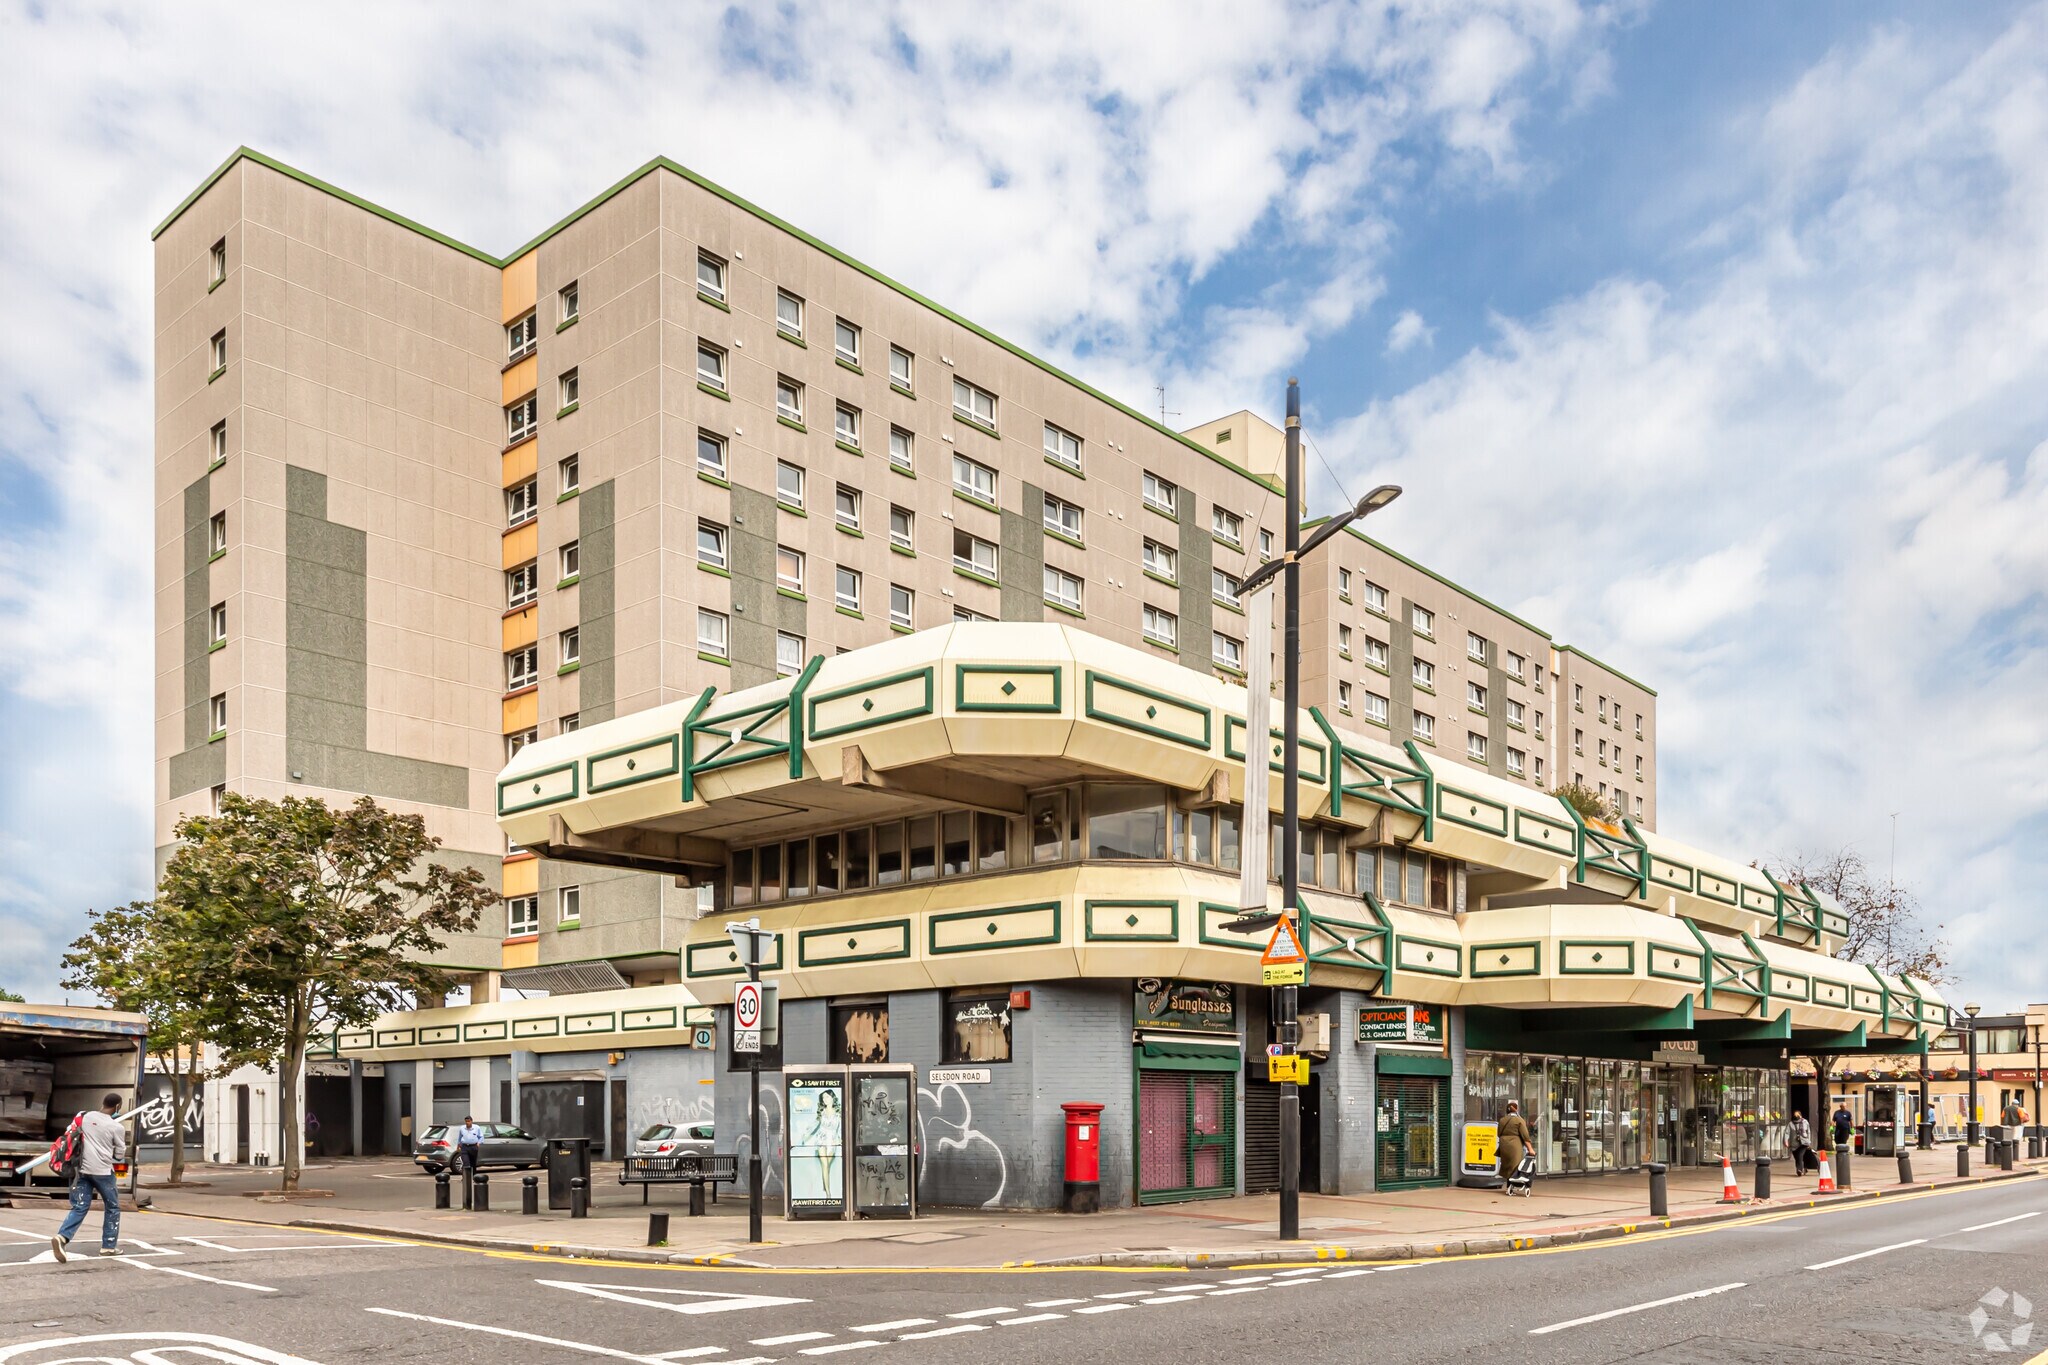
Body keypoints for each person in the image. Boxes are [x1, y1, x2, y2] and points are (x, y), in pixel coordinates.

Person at [50, 1093, 126, 1262]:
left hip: (82, 1170)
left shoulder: (84, 1116)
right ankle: (108, 1246)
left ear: (103, 1102)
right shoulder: (116, 1127)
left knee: (80, 1206)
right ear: (118, 1107)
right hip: (103, 1173)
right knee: (112, 1207)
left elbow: (71, 1133)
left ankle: (62, 1237)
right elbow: (120, 1155)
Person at [1496, 1099, 1532, 1183]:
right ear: (1516, 1109)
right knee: (1515, 1165)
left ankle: (1508, 1185)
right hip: (1515, 1145)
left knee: (1507, 1164)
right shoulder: (1519, 1120)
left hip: (1503, 1144)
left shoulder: (1502, 1120)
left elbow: (1498, 1133)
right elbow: (1525, 1136)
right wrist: (1530, 1149)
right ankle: (1512, 1185)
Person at [455, 1115, 485, 1179]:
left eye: (468, 1121)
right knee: (466, 1163)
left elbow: (481, 1136)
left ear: (471, 1121)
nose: (467, 1123)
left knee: (473, 1163)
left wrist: (479, 1143)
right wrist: (458, 1146)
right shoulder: (462, 1128)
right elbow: (460, 1137)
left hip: (473, 1147)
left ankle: (474, 1176)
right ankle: (465, 1177)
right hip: (465, 1147)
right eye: (466, 1121)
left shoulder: (476, 1128)